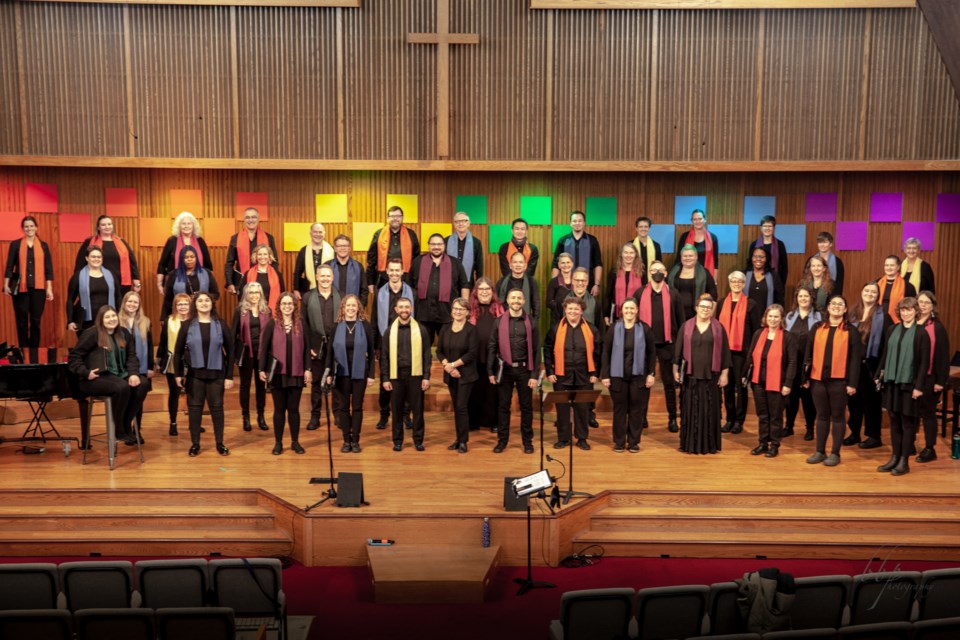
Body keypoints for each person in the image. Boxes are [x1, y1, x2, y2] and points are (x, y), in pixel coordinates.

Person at [69, 306, 141, 446]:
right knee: (121, 387)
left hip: (119, 374)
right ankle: (118, 429)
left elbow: (132, 356)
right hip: (94, 378)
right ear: (100, 320)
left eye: (113, 316)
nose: (111, 319)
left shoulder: (124, 333)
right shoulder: (92, 333)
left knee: (142, 384)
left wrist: (133, 374)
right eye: (107, 317)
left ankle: (126, 422)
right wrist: (85, 372)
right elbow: (74, 357)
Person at [174, 292, 235, 457]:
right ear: (195, 304)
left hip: (217, 375)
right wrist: (178, 374)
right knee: (194, 410)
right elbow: (178, 351)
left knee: (217, 409)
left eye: (207, 300)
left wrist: (229, 376)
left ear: (212, 303)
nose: (203, 303)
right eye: (200, 300)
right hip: (194, 375)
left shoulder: (221, 324)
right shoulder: (187, 325)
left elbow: (231, 353)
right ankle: (195, 444)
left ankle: (220, 443)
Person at [803, 295, 862, 467]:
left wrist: (852, 383)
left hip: (840, 381)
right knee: (821, 416)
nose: (836, 306)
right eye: (833, 304)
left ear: (845, 310)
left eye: (840, 304)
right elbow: (808, 354)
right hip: (818, 380)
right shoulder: (817, 327)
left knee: (837, 417)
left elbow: (855, 360)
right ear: (828, 308)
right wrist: (805, 378)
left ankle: (835, 453)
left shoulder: (851, 331)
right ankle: (820, 451)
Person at [875, 297, 929, 476]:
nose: (906, 313)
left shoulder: (921, 333)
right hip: (892, 382)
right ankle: (894, 457)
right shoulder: (892, 329)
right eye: (903, 310)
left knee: (907, 423)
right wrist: (879, 374)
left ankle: (904, 461)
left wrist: (919, 387)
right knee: (894, 422)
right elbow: (885, 354)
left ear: (916, 311)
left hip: (909, 384)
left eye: (909, 310)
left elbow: (923, 364)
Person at [673, 294, 732, 455]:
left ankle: (709, 444)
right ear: (696, 308)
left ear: (712, 310)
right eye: (702, 307)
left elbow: (725, 354)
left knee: (709, 411)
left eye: (708, 307)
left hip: (711, 377)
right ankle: (689, 444)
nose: (705, 310)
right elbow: (677, 351)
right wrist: (675, 370)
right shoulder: (686, 326)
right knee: (690, 411)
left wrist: (724, 374)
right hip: (690, 377)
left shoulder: (719, 328)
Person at [488, 288, 541, 454]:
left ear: (524, 301)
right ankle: (502, 441)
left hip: (525, 370)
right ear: (508, 301)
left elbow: (536, 350)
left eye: (519, 298)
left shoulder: (531, 322)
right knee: (503, 406)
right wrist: (490, 371)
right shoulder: (498, 322)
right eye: (513, 298)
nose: (516, 301)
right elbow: (492, 347)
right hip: (505, 370)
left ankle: (527, 442)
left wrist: (534, 375)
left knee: (526, 407)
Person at [545, 296, 601, 450]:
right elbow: (548, 350)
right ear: (565, 310)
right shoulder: (556, 328)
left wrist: (595, 372)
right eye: (570, 308)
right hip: (562, 375)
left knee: (582, 408)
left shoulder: (592, 329)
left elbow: (598, 353)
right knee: (562, 408)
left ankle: (582, 438)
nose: (573, 311)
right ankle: (563, 438)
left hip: (584, 375)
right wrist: (549, 371)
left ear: (582, 310)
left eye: (576, 308)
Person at [259, 292, 312, 455]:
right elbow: (264, 348)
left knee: (294, 410)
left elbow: (307, 349)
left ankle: (295, 442)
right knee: (279, 410)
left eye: (290, 304)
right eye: (284, 304)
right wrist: (262, 369)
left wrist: (308, 369)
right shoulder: (272, 324)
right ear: (279, 306)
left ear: (294, 306)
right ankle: (278, 443)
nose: (287, 306)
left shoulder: (301, 324)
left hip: (296, 374)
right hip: (277, 374)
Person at [601, 298, 656, 453]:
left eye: (632, 308)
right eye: (626, 308)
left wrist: (651, 373)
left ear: (637, 310)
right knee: (619, 410)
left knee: (636, 410)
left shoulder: (645, 329)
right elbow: (606, 352)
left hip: (639, 377)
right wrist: (605, 375)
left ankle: (633, 442)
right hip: (617, 377)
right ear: (622, 311)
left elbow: (652, 353)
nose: (629, 311)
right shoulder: (613, 328)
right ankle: (619, 442)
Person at [636, 260, 685, 433]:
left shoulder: (674, 293)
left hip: (667, 344)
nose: (657, 272)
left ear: (665, 273)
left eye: (660, 270)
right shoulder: (640, 292)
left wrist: (680, 347)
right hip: (645, 345)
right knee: (644, 383)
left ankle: (672, 417)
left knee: (669, 383)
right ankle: (642, 417)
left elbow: (681, 322)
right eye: (653, 270)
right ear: (649, 273)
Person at [746, 304, 798, 458]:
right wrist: (745, 375)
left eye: (776, 316)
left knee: (775, 416)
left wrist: (788, 384)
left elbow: (792, 362)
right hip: (758, 382)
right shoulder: (758, 334)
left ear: (781, 319)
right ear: (765, 317)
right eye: (770, 316)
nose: (773, 319)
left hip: (778, 382)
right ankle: (763, 443)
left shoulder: (788, 337)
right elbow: (750, 355)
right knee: (762, 414)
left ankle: (774, 445)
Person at [380, 297, 431, 451]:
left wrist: (426, 377)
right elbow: (384, 356)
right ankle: (397, 440)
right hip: (396, 375)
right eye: (401, 307)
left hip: (416, 374)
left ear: (411, 309)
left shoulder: (421, 330)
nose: (404, 310)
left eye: (407, 307)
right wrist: (385, 378)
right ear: (396, 310)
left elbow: (427, 355)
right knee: (396, 410)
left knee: (417, 410)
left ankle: (418, 440)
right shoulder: (389, 331)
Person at [326, 295, 375, 453]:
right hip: (341, 374)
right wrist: (328, 373)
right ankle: (346, 440)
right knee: (344, 408)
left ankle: (356, 441)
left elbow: (372, 352)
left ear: (358, 308)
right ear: (343, 308)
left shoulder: (365, 326)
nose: (351, 308)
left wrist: (371, 375)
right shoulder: (336, 327)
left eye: (354, 306)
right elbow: (330, 353)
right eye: (348, 306)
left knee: (358, 407)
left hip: (360, 373)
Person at [846, 281, 891, 449]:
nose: (870, 294)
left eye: (873, 292)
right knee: (853, 401)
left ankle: (874, 436)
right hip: (853, 365)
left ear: (878, 296)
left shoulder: (883, 316)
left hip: (871, 365)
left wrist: (881, 370)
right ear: (862, 292)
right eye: (867, 290)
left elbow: (887, 345)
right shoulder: (852, 313)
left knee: (871, 403)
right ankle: (854, 433)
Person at [717, 271, 762, 435]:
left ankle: (739, 420)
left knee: (740, 387)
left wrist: (752, 355)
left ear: (744, 284)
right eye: (733, 281)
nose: (736, 284)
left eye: (740, 281)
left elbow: (757, 331)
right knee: (726, 386)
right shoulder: (721, 303)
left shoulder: (752, 305)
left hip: (743, 353)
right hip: (724, 351)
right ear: (729, 283)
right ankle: (729, 418)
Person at [374, 259, 414, 430]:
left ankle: (406, 415)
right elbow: (375, 319)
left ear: (403, 271)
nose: (395, 273)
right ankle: (384, 415)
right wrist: (377, 346)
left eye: (398, 270)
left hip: (407, 342)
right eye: (392, 270)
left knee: (406, 381)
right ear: (387, 272)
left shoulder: (411, 293)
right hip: (386, 342)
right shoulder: (380, 293)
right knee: (385, 381)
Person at [3, 216, 54, 348]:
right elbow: (9, 266)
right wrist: (6, 284)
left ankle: (34, 350)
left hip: (39, 289)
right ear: (23, 228)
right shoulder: (15, 245)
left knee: (36, 321)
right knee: (22, 322)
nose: (29, 229)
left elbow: (48, 269)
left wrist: (49, 288)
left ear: (36, 227)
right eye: (26, 226)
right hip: (21, 289)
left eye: (31, 226)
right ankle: (24, 349)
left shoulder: (43, 246)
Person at [410, 233, 470, 344]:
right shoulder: (418, 261)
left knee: (449, 344)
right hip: (423, 313)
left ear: (444, 245)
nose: (436, 247)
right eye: (433, 244)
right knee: (423, 345)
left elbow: (464, 285)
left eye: (439, 244)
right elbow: (409, 285)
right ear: (428, 246)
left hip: (447, 313)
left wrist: (464, 308)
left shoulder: (455, 263)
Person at [437, 298, 479, 453]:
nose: (457, 311)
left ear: (467, 312)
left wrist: (453, 365)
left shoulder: (471, 329)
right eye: (455, 308)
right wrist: (447, 366)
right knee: (456, 407)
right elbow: (439, 351)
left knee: (461, 406)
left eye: (461, 309)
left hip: (465, 375)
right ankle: (458, 438)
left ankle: (463, 441)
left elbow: (472, 354)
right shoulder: (445, 328)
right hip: (450, 374)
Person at [301, 264, 339, 431]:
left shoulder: (341, 297)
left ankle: (338, 415)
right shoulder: (308, 297)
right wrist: (308, 346)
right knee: (316, 383)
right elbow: (303, 325)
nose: (325, 279)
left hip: (337, 346)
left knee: (338, 382)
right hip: (316, 346)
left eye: (327, 276)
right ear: (316, 277)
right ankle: (315, 416)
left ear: (332, 278)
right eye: (321, 276)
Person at [916, 291, 950, 463]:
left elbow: (943, 357)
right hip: (911, 378)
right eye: (920, 302)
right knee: (911, 413)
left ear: (932, 306)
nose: (922, 305)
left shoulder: (937, 327)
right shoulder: (911, 323)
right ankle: (910, 444)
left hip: (929, 378)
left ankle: (930, 448)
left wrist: (940, 381)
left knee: (928, 413)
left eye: (926, 302)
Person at [232, 281, 270, 432]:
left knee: (261, 386)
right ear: (246, 294)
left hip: (262, 354)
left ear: (261, 294)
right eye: (251, 292)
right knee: (245, 386)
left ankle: (261, 416)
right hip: (246, 353)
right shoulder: (240, 311)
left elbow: (270, 334)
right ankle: (246, 417)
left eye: (257, 292)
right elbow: (232, 333)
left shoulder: (267, 311)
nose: (254, 295)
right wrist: (233, 354)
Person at [73, 214, 141, 298]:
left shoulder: (122, 242)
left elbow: (132, 262)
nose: (107, 227)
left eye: (109, 224)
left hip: (120, 284)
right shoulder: (90, 242)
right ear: (98, 227)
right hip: (97, 282)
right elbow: (80, 262)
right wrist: (78, 280)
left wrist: (136, 281)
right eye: (103, 225)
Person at [784, 287, 821, 441]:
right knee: (791, 398)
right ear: (796, 298)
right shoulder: (789, 316)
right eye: (801, 296)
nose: (803, 299)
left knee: (808, 399)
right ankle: (789, 426)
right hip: (792, 363)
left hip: (809, 364)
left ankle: (810, 428)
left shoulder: (819, 317)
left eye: (806, 296)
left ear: (812, 298)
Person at [117, 291, 154, 446]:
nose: (132, 305)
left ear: (139, 305)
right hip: (122, 368)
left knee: (139, 397)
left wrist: (150, 367)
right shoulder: (116, 321)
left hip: (141, 367)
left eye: (135, 302)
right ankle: (124, 427)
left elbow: (150, 346)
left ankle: (136, 429)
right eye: (129, 302)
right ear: (124, 303)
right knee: (127, 397)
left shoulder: (145, 321)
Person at [468, 277, 504, 433]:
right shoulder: (469, 309)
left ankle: (493, 421)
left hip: (494, 357)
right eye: (481, 289)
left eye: (487, 289)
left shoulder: (499, 310)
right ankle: (473, 422)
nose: (484, 292)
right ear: (476, 292)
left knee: (492, 391)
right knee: (474, 389)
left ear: (492, 292)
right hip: (474, 356)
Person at [156, 293, 192, 436]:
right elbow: (163, 343)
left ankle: (193, 423)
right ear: (175, 306)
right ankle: (173, 423)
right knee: (174, 394)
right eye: (179, 304)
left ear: (190, 306)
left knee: (193, 394)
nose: (182, 307)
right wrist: (158, 361)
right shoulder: (169, 321)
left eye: (185, 304)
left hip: (192, 363)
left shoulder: (195, 321)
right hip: (173, 362)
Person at [365, 205, 420, 295]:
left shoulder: (411, 235)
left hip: (406, 279)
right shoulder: (378, 234)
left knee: (405, 306)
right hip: (383, 279)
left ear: (402, 218)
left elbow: (417, 260)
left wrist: (415, 281)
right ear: (387, 218)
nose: (395, 219)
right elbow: (371, 260)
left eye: (398, 216)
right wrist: (370, 282)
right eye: (392, 216)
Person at [156, 211, 211, 295]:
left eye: (189, 223)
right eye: (183, 224)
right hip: (175, 283)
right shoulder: (171, 241)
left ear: (193, 226)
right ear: (179, 226)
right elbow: (162, 264)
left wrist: (210, 284)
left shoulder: (200, 241)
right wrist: (159, 284)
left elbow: (208, 265)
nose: (186, 226)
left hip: (198, 282)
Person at [66, 246, 119, 334]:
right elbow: (70, 300)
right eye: (93, 257)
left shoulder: (111, 275)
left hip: (107, 321)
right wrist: (70, 321)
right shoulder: (78, 276)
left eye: (99, 257)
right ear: (87, 258)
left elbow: (118, 297)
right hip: (85, 322)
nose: (96, 259)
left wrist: (119, 315)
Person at [225, 207, 278, 294]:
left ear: (258, 219)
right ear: (244, 220)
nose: (251, 220)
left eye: (253, 217)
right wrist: (229, 283)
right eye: (247, 217)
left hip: (264, 282)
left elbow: (274, 261)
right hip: (243, 283)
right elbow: (229, 263)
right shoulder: (235, 238)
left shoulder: (269, 238)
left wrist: (274, 280)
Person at [160, 245, 219, 319]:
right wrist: (164, 317)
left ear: (196, 258)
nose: (189, 259)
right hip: (181, 315)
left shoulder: (206, 273)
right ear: (181, 259)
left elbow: (216, 294)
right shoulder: (173, 275)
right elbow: (168, 299)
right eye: (186, 257)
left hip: (203, 315)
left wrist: (201, 296)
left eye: (192, 257)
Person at [551, 210, 602, 293]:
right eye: (574, 221)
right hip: (566, 284)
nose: (577, 223)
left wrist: (597, 284)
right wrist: (554, 285)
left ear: (584, 223)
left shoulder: (592, 240)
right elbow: (555, 264)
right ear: (570, 223)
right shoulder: (562, 241)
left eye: (580, 221)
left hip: (588, 284)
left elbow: (598, 264)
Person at [667, 244, 718, 321]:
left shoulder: (704, 273)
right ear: (681, 258)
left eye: (691, 256)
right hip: (675, 314)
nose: (688, 258)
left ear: (696, 257)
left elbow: (713, 294)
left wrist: (709, 315)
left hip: (697, 315)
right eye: (685, 256)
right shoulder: (673, 272)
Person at [604, 243, 644, 326]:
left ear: (635, 255)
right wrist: (606, 314)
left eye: (631, 253)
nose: (628, 255)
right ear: (621, 254)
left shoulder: (642, 273)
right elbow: (608, 295)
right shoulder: (614, 272)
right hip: (617, 314)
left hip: (637, 314)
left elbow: (645, 296)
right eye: (626, 252)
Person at [293, 222, 335, 297]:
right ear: (310, 233)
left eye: (320, 232)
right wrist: (296, 289)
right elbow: (297, 272)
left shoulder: (332, 250)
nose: (318, 235)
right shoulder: (304, 250)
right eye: (315, 232)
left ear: (324, 233)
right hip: (309, 290)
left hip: (329, 291)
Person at [675, 209, 719, 278]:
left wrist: (714, 280)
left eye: (700, 219)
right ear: (692, 221)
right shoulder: (684, 236)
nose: (698, 221)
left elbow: (715, 261)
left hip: (706, 276)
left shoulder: (713, 237)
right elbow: (678, 258)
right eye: (695, 219)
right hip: (687, 275)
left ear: (704, 220)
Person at [496, 251, 540, 320]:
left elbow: (536, 304)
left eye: (520, 262)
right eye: (515, 262)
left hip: (525, 320)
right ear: (510, 265)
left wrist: (534, 322)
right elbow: (496, 302)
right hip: (505, 320)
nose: (518, 265)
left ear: (525, 265)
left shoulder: (531, 282)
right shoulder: (502, 282)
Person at [327, 234, 368, 306]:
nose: (342, 248)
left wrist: (359, 308)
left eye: (345, 246)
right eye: (339, 246)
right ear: (335, 248)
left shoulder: (358, 266)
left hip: (352, 309)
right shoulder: (327, 266)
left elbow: (364, 290)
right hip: (331, 308)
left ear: (349, 248)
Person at [446, 212, 484, 287]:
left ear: (468, 223)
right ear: (454, 224)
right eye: (457, 221)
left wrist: (479, 284)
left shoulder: (476, 242)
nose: (460, 224)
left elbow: (479, 266)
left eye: (464, 221)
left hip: (468, 283)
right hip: (449, 283)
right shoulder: (446, 241)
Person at [243, 244, 285, 310]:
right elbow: (242, 295)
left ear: (269, 256)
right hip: (252, 312)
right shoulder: (248, 274)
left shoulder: (278, 274)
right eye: (259, 254)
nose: (262, 257)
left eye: (265, 254)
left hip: (272, 312)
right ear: (255, 256)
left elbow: (282, 295)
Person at [750, 215, 789, 286]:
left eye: (770, 226)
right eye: (765, 226)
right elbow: (750, 264)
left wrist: (781, 284)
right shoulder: (754, 245)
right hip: (756, 281)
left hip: (775, 282)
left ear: (774, 228)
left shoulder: (780, 244)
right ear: (761, 228)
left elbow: (784, 267)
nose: (767, 228)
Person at [877, 255, 916, 323]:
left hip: (898, 323)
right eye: (886, 265)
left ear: (898, 267)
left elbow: (913, 308)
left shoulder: (908, 286)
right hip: (877, 321)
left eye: (892, 265)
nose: (889, 268)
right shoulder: (877, 283)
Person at [807, 231, 844, 297]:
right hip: (812, 293)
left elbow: (839, 284)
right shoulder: (810, 260)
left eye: (825, 242)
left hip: (831, 294)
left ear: (831, 244)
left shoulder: (838, 262)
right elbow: (806, 278)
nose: (822, 245)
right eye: (820, 242)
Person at [545, 252, 575, 326]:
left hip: (575, 317)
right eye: (563, 263)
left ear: (572, 264)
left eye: (568, 262)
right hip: (558, 320)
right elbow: (548, 302)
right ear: (559, 265)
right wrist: (562, 307)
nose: (566, 265)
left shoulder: (577, 281)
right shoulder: (553, 282)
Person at [632, 216, 662, 284]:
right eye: (640, 226)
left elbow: (659, 265)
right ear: (636, 228)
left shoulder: (656, 245)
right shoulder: (630, 245)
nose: (643, 229)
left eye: (646, 226)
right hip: (633, 280)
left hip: (651, 280)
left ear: (649, 228)